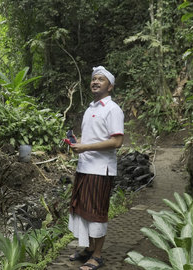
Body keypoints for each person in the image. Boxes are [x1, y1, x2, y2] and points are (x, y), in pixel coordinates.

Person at [68, 66, 124, 270]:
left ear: (110, 86)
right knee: (82, 210)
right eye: (94, 79)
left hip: (101, 169)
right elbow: (93, 138)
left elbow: (117, 141)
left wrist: (85, 147)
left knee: (96, 211)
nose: (95, 82)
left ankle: (97, 256)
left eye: (101, 79)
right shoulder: (91, 108)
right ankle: (90, 249)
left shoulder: (113, 109)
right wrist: (78, 144)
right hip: (85, 166)